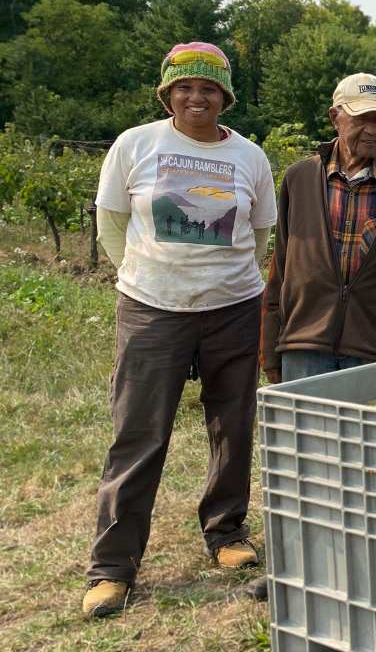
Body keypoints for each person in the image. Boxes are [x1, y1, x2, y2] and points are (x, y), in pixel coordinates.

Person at [84, 42, 276, 618]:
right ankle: (113, 567)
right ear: (168, 93)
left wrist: (231, 281)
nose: (197, 97)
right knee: (139, 433)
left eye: (209, 89)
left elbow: (260, 233)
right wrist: (141, 276)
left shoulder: (251, 156)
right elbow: (111, 221)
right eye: (186, 87)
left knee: (232, 424)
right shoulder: (136, 145)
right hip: (151, 307)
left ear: (225, 97)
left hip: (234, 308)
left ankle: (226, 532)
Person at [261, 72, 376, 384]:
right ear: (335, 117)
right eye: (362, 119)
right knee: (305, 434)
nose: (373, 130)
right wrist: (270, 347)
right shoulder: (299, 179)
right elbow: (281, 269)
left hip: (374, 352)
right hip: (304, 347)